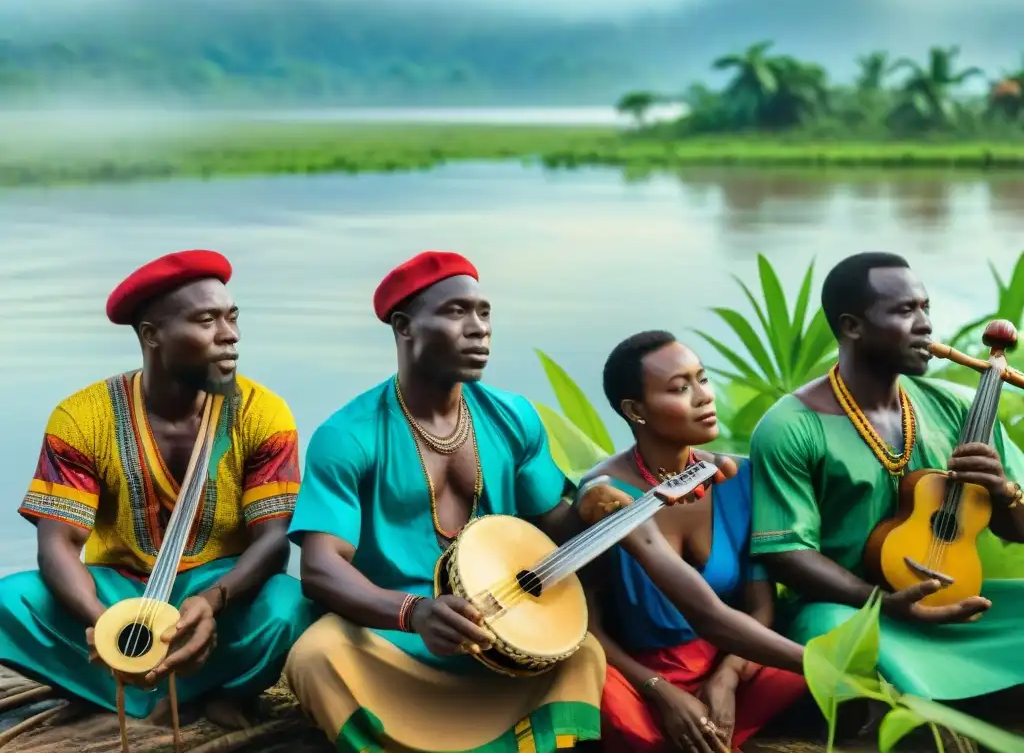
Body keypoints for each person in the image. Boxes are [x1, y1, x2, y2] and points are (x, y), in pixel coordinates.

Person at [284, 251, 606, 753]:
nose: (479, 329)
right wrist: (415, 612)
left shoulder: (513, 417)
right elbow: (321, 568)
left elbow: (554, 529)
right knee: (315, 655)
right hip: (394, 634)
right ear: (405, 326)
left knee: (583, 655)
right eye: (456, 312)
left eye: (484, 313)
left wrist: (591, 508)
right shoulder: (348, 435)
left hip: (501, 633)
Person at [0, 250, 318, 728]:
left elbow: (273, 540)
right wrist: (105, 625)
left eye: (232, 317)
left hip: (215, 592)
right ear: (152, 336)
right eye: (207, 320)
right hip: (116, 593)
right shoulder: (82, 417)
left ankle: (196, 690)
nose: (230, 335)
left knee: (291, 607)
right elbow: (58, 545)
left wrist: (213, 601)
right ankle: (172, 690)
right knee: (12, 601)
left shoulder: (261, 413)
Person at [749, 251, 1024, 702]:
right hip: (851, 610)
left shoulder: (959, 407)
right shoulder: (791, 426)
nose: (926, 325)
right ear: (852, 326)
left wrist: (1004, 490)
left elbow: (1018, 527)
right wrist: (882, 601)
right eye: (904, 311)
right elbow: (787, 552)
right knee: (834, 639)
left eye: (925, 308)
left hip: (955, 606)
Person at [573, 331, 806, 753]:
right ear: (634, 410)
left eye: (703, 379)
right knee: (598, 693)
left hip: (730, 658)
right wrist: (660, 691)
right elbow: (586, 624)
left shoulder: (740, 477)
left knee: (806, 658)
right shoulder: (604, 495)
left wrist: (728, 677)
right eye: (681, 388)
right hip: (637, 675)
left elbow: (760, 604)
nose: (704, 397)